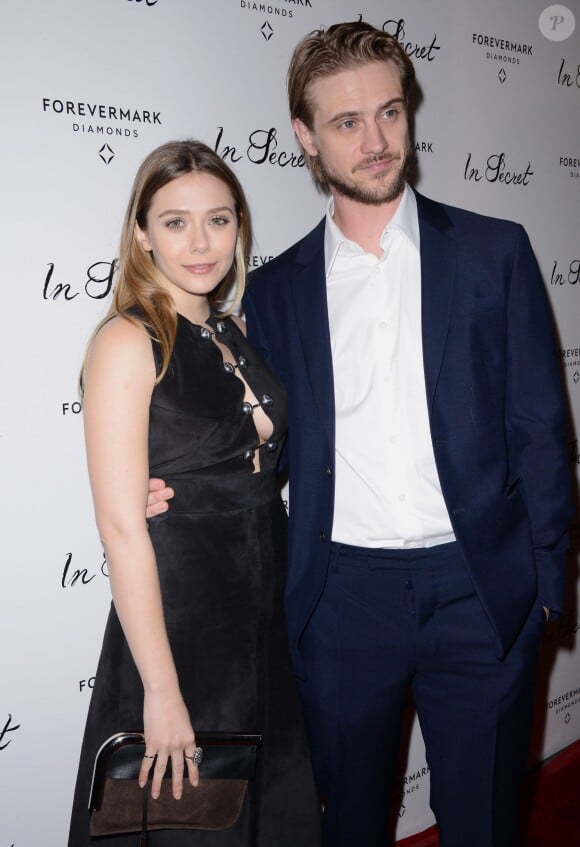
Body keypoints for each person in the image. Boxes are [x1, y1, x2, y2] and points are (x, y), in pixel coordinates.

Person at [147, 22, 572, 847]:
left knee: (485, 824)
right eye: (346, 123)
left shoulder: (495, 253)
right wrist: (163, 482)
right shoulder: (273, 294)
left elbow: (541, 426)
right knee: (346, 829)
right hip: (340, 602)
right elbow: (243, 435)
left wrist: (546, 585)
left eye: (389, 113)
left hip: (480, 592)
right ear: (305, 138)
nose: (376, 142)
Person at [68, 139, 322, 847]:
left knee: (274, 817)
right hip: (181, 627)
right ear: (142, 232)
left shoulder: (237, 332)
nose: (201, 241)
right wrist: (162, 690)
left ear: (239, 225)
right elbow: (122, 528)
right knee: (191, 823)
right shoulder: (128, 340)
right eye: (175, 221)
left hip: (263, 621)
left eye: (218, 218)